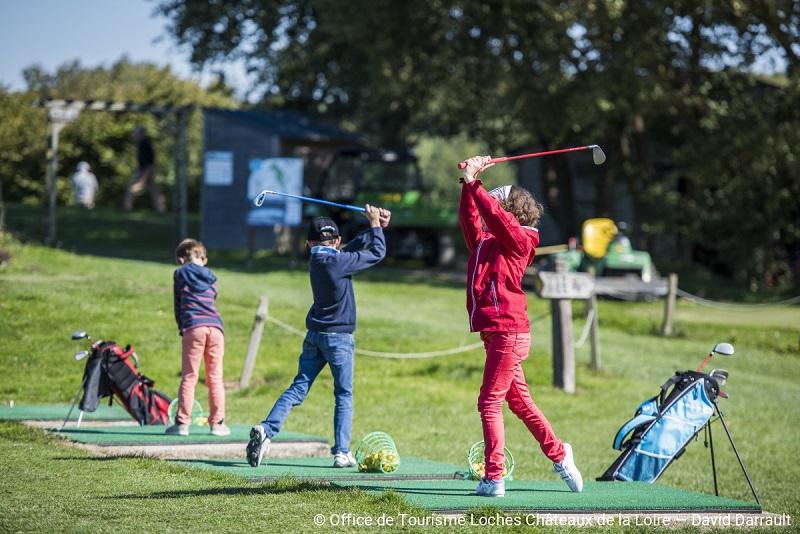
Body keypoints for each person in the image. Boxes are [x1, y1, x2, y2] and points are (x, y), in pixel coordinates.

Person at [458, 155, 582, 497]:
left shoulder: (520, 239)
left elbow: (495, 218)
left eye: (496, 204)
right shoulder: (486, 242)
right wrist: (468, 186)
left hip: (509, 334)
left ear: (509, 211)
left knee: (489, 402)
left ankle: (494, 477)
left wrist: (475, 183)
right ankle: (560, 454)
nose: (490, 209)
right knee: (519, 402)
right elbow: (473, 218)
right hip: (497, 334)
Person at [247, 206, 391, 468]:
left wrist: (376, 228)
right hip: (339, 340)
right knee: (344, 394)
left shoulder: (319, 260)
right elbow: (377, 253)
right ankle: (341, 452)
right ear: (336, 241)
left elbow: (352, 249)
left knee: (298, 387)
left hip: (314, 336)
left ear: (308, 243)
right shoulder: (340, 260)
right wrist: (375, 228)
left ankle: (266, 429)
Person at [166, 238, 229, 437]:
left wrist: (181, 326)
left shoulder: (180, 274)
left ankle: (182, 424)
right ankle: (217, 424)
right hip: (216, 329)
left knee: (190, 377)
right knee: (215, 378)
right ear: (205, 259)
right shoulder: (212, 277)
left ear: (182, 260)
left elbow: (178, 304)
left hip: (194, 327)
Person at [123, 126, 166, 213]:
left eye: (136, 135)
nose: (135, 137)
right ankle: (160, 209)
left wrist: (143, 173)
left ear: (140, 135)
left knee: (135, 186)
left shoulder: (144, 144)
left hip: (146, 169)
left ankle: (127, 206)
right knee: (154, 190)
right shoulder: (145, 143)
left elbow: (146, 161)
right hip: (148, 168)